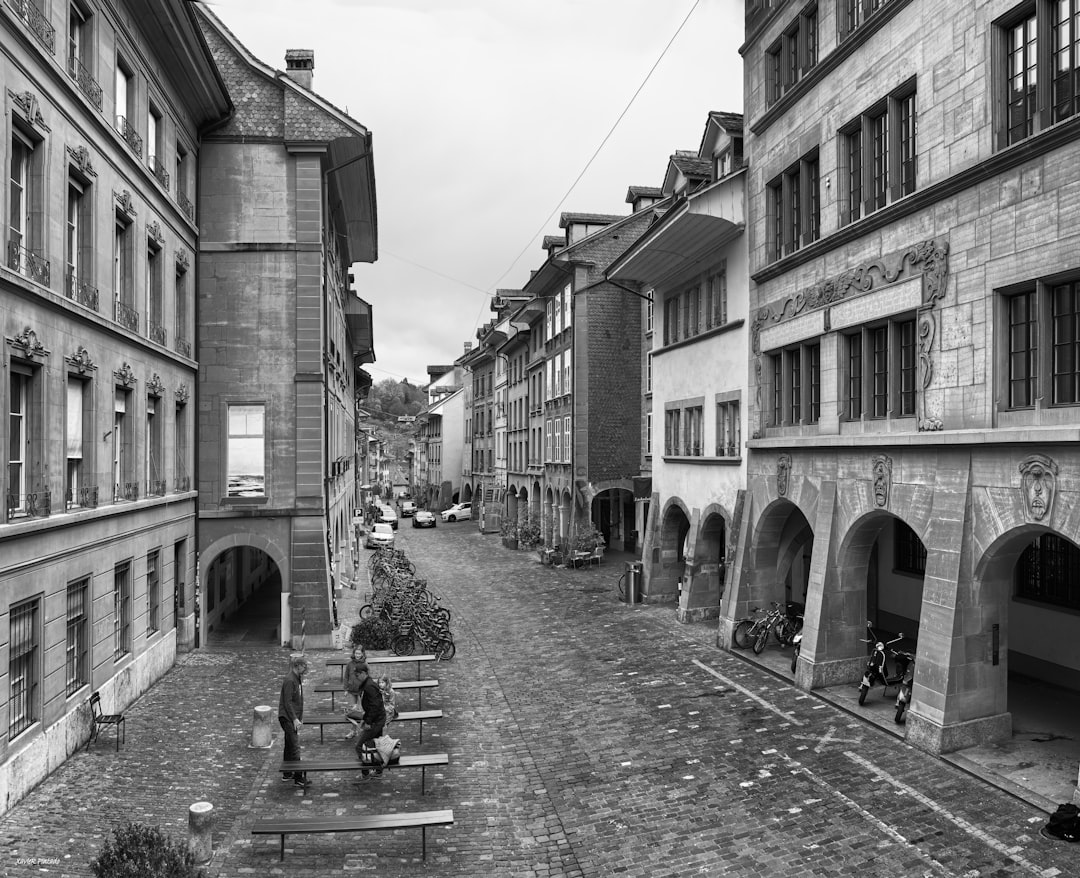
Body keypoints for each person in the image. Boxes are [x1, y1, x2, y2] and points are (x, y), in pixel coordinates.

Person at [278, 653, 310, 788]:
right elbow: (288, 702)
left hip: (291, 717)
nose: (306, 669)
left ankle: (287, 772)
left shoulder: (296, 678)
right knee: (295, 747)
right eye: (304, 666)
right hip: (288, 718)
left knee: (289, 744)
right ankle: (298, 778)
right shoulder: (290, 680)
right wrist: (295, 719)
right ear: (298, 666)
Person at [352, 663, 386, 777]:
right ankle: (378, 771)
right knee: (376, 744)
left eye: (357, 675)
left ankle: (366, 772)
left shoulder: (369, 686)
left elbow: (375, 706)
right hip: (378, 719)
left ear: (363, 673)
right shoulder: (368, 683)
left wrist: (368, 722)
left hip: (376, 721)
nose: (356, 677)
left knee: (360, 746)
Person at [342, 646, 368, 739]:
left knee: (361, 712)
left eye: (359, 653)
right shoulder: (349, 664)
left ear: (362, 654)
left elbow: (367, 677)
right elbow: (346, 677)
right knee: (352, 712)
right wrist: (345, 689)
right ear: (354, 653)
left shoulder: (365, 664)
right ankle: (353, 731)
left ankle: (363, 731)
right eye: (356, 653)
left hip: (361, 691)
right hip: (352, 691)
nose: (357, 655)